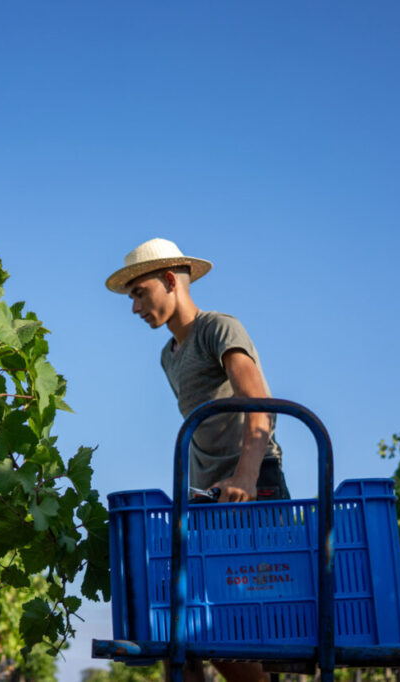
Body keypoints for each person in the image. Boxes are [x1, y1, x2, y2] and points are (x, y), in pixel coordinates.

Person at [106, 237, 289, 682]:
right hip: (208, 500)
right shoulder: (168, 356)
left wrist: (245, 477)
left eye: (139, 293)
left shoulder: (218, 329)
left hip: (252, 489)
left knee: (226, 626)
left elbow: (258, 403)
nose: (134, 308)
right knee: (192, 631)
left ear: (170, 280)